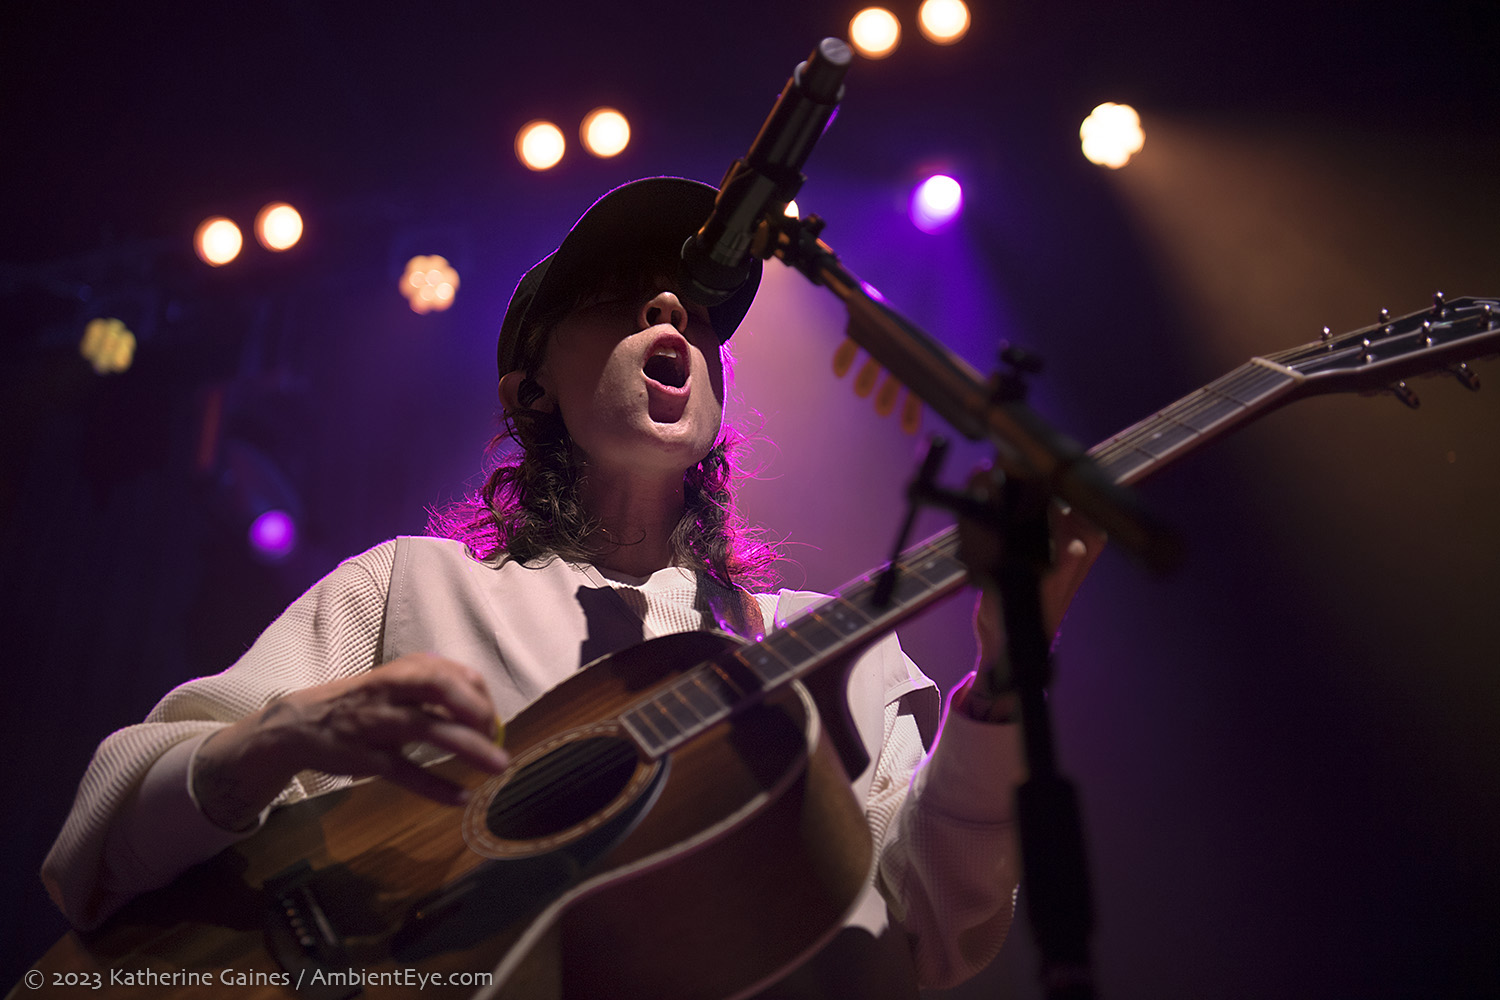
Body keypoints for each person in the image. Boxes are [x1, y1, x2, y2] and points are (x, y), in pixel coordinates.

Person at [41, 176, 1102, 998]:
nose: (670, 309)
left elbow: (931, 926)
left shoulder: (834, 643)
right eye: (616, 298)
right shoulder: (415, 584)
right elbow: (104, 834)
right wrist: (281, 734)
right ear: (531, 387)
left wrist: (1006, 684)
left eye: (691, 308)